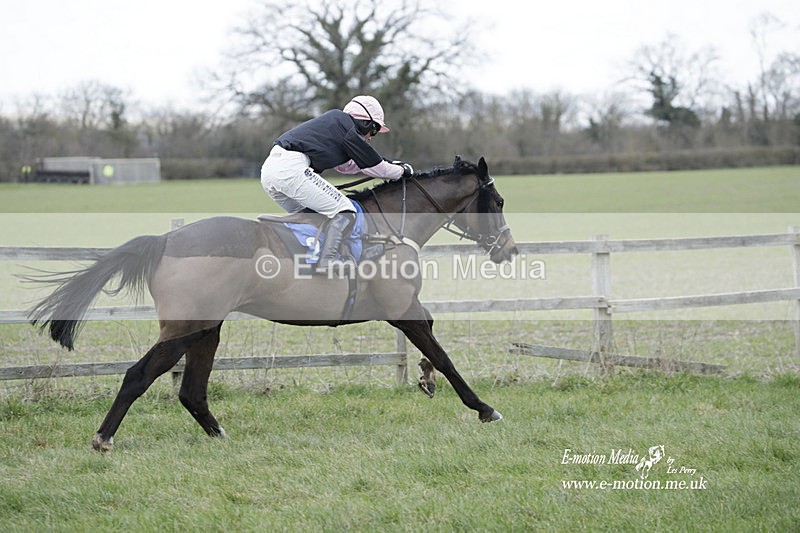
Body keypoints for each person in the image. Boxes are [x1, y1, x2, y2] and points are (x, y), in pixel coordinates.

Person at [261, 95, 413, 273]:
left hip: (270, 172)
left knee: (315, 218)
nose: (371, 137)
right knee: (346, 211)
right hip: (291, 170)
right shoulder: (348, 129)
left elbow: (348, 166)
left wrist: (392, 165)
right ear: (365, 123)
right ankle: (327, 261)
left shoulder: (337, 125)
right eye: (373, 130)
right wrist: (403, 171)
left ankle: (309, 260)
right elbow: (377, 168)